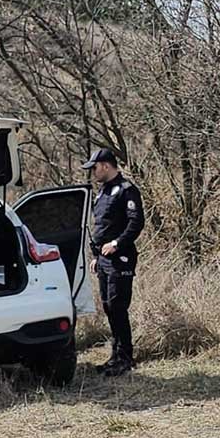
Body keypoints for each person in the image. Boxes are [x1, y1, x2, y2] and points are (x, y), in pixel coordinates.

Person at [82, 147, 144, 377]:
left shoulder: (126, 190)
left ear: (106, 166)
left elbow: (136, 223)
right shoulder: (103, 192)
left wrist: (117, 243)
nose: (93, 173)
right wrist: (97, 256)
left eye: (95, 168)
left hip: (121, 258)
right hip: (105, 260)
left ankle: (125, 358)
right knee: (109, 308)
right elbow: (102, 226)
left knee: (118, 307)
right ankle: (115, 357)